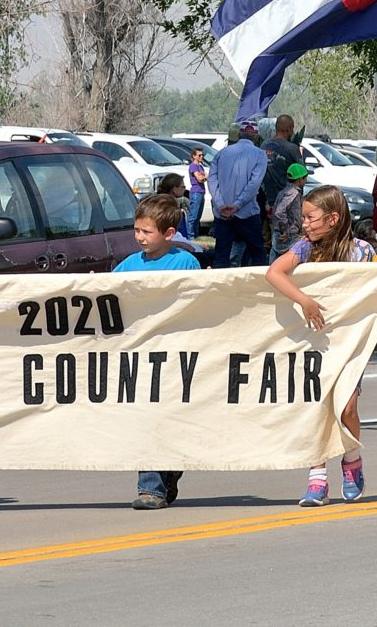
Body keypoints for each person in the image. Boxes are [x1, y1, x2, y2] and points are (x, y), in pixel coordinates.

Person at [265, 185, 377, 506]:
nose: (304, 223)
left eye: (310, 217)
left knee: (346, 409)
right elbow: (275, 272)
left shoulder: (361, 251)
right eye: (303, 217)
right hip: (314, 340)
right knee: (316, 408)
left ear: (332, 219)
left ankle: (351, 462)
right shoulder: (304, 248)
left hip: (350, 343)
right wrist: (305, 301)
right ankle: (317, 478)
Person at [113, 193, 201, 509]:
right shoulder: (128, 264)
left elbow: (197, 301)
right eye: (137, 230)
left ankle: (169, 473)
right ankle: (151, 489)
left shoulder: (185, 262)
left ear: (168, 233)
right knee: (145, 419)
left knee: (170, 420)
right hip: (138, 355)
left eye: (146, 232)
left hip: (174, 353)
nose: (140, 238)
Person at [207, 125, 268, 268]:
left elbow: (212, 180)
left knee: (221, 255)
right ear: (256, 137)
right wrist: (237, 205)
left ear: (239, 135)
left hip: (222, 213)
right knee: (257, 254)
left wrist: (220, 204)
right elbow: (254, 184)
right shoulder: (260, 154)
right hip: (247, 212)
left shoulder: (221, 154)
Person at [260, 114, 305, 216]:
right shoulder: (292, 148)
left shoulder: (263, 146)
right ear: (289, 129)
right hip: (286, 203)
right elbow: (302, 175)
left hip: (267, 202)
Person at [267, 159, 313, 258]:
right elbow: (279, 212)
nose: (306, 181)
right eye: (305, 178)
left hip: (281, 232)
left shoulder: (284, 191)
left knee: (274, 258)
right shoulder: (293, 193)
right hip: (288, 235)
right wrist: (285, 230)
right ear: (300, 179)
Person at [183, 146, 208, 234]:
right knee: (193, 216)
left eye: (202, 155)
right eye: (199, 155)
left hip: (201, 192)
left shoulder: (200, 166)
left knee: (198, 216)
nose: (201, 157)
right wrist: (205, 177)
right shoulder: (193, 166)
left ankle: (196, 234)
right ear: (194, 156)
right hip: (196, 192)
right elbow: (200, 179)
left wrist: (204, 176)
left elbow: (204, 176)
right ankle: (190, 235)